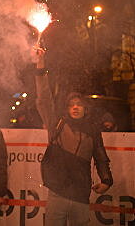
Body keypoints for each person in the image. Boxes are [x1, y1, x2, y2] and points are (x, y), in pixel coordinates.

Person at [34, 48, 113, 226]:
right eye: (72, 105)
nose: (75, 107)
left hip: (80, 195)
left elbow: (100, 157)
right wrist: (40, 65)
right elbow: (44, 98)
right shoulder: (58, 125)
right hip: (57, 193)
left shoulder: (92, 130)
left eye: (79, 105)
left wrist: (107, 180)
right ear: (67, 109)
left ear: (85, 109)